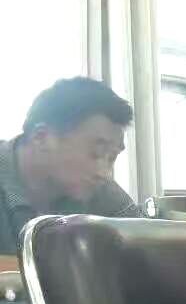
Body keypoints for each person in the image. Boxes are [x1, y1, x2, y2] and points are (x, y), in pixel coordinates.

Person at [0, 77, 137, 258]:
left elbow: (143, 249)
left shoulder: (100, 190)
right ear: (41, 138)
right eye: (96, 153)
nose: (104, 173)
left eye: (111, 158)